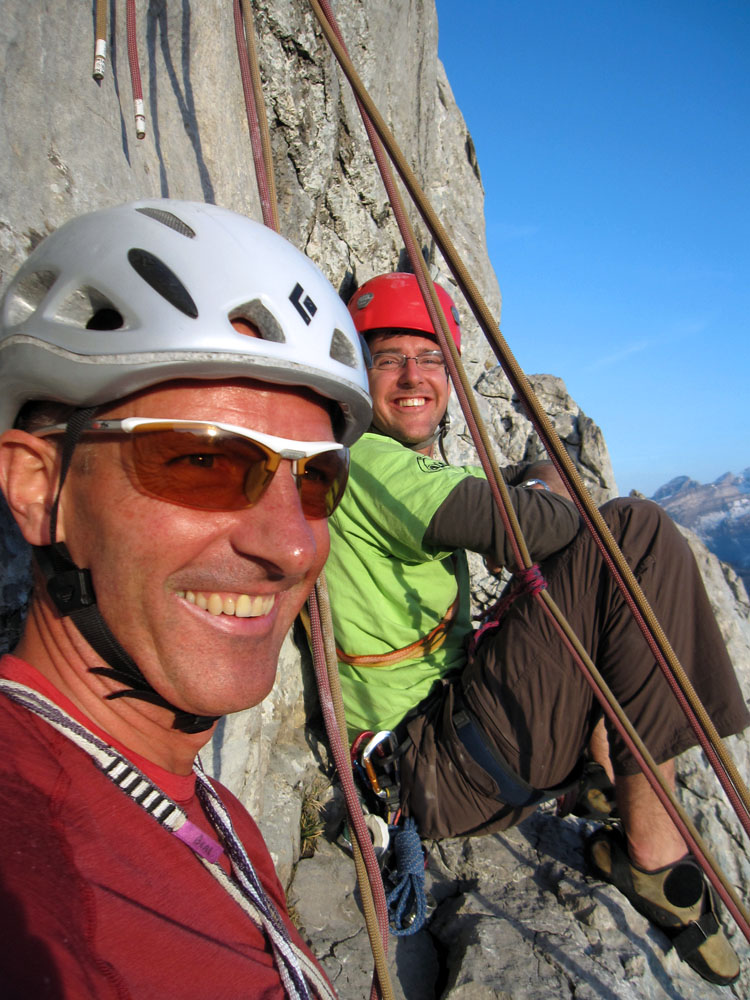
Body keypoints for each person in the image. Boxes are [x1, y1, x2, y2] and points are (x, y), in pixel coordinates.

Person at [325, 271, 748, 986]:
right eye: (390, 357)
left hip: (454, 741)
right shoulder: (368, 459)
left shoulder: (394, 461)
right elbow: (544, 525)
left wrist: (533, 482)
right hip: (436, 769)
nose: (413, 377)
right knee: (637, 533)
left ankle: (596, 781)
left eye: (432, 360)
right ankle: (654, 854)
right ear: (359, 372)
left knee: (579, 577)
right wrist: (543, 475)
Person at [0, 199, 372, 1000]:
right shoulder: (23, 859)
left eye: (316, 480)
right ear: (40, 488)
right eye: (201, 462)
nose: (294, 546)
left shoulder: (217, 813)